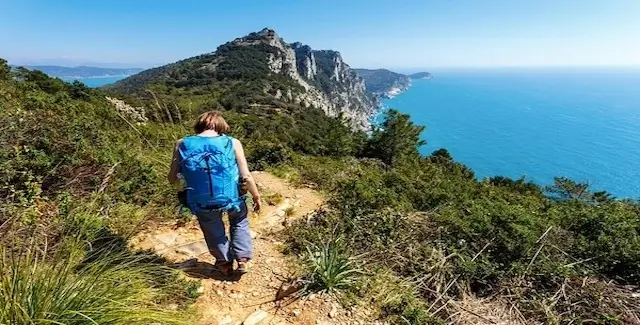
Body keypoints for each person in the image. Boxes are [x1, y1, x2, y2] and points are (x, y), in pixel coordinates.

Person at [168, 111, 261, 276]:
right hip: (232, 198)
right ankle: (242, 259)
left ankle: (224, 263)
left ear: (199, 126)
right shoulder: (232, 142)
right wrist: (256, 196)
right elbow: (245, 176)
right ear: (221, 126)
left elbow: (172, 177)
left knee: (212, 230)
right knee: (239, 221)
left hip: (200, 200)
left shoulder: (182, 143)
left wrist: (181, 189)